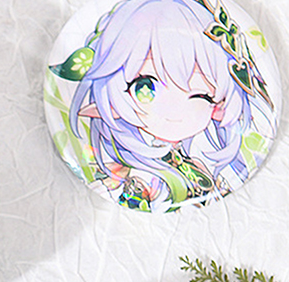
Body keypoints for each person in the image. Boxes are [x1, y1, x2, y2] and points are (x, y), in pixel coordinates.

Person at [50, 0, 274, 210]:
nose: (173, 111)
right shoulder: (118, 172)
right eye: (145, 88)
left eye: (201, 95)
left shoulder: (200, 161)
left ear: (219, 107)